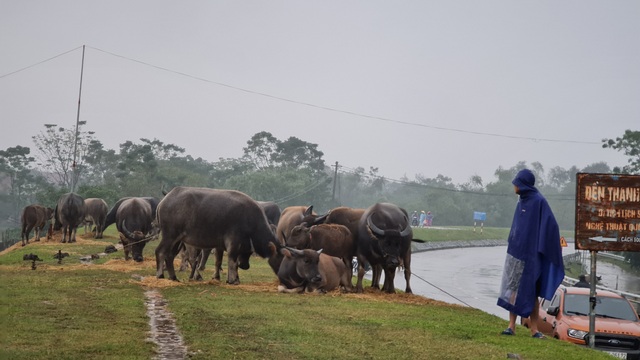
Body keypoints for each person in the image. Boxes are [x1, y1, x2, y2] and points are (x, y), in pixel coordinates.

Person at [497, 169, 565, 339]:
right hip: (516, 254)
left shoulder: (539, 201)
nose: (514, 186)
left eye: (516, 183)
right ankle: (511, 326)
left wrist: (546, 246)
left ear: (523, 184)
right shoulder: (520, 201)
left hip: (531, 256)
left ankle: (534, 330)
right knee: (513, 290)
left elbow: (551, 225)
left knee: (531, 291)